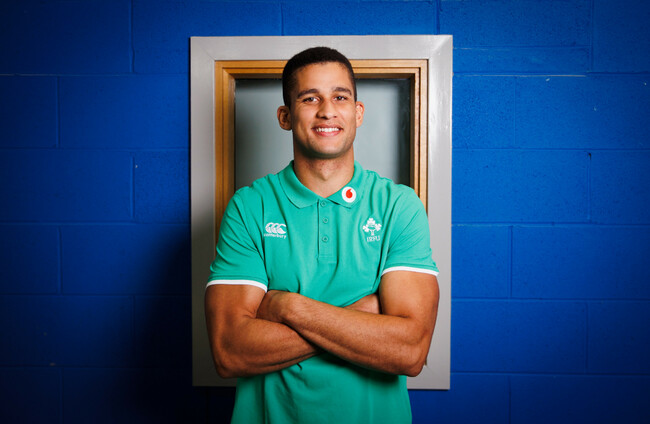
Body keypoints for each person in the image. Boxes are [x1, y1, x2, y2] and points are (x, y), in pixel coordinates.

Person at [205, 46, 440, 423]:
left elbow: (409, 351)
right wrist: (363, 315)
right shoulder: (250, 206)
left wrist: (286, 307)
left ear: (358, 113)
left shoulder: (398, 206)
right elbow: (230, 351)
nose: (327, 110)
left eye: (340, 97)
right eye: (309, 98)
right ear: (285, 116)